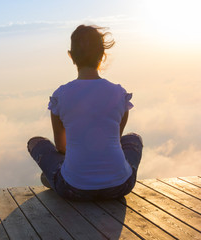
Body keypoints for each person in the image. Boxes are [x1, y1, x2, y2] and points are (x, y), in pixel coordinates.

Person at [27, 25, 143, 201]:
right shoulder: (119, 95)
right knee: (134, 139)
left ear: (71, 56)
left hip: (73, 188)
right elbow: (116, 141)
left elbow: (61, 147)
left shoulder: (61, 96)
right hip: (120, 186)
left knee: (36, 143)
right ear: (102, 56)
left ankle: (54, 177)